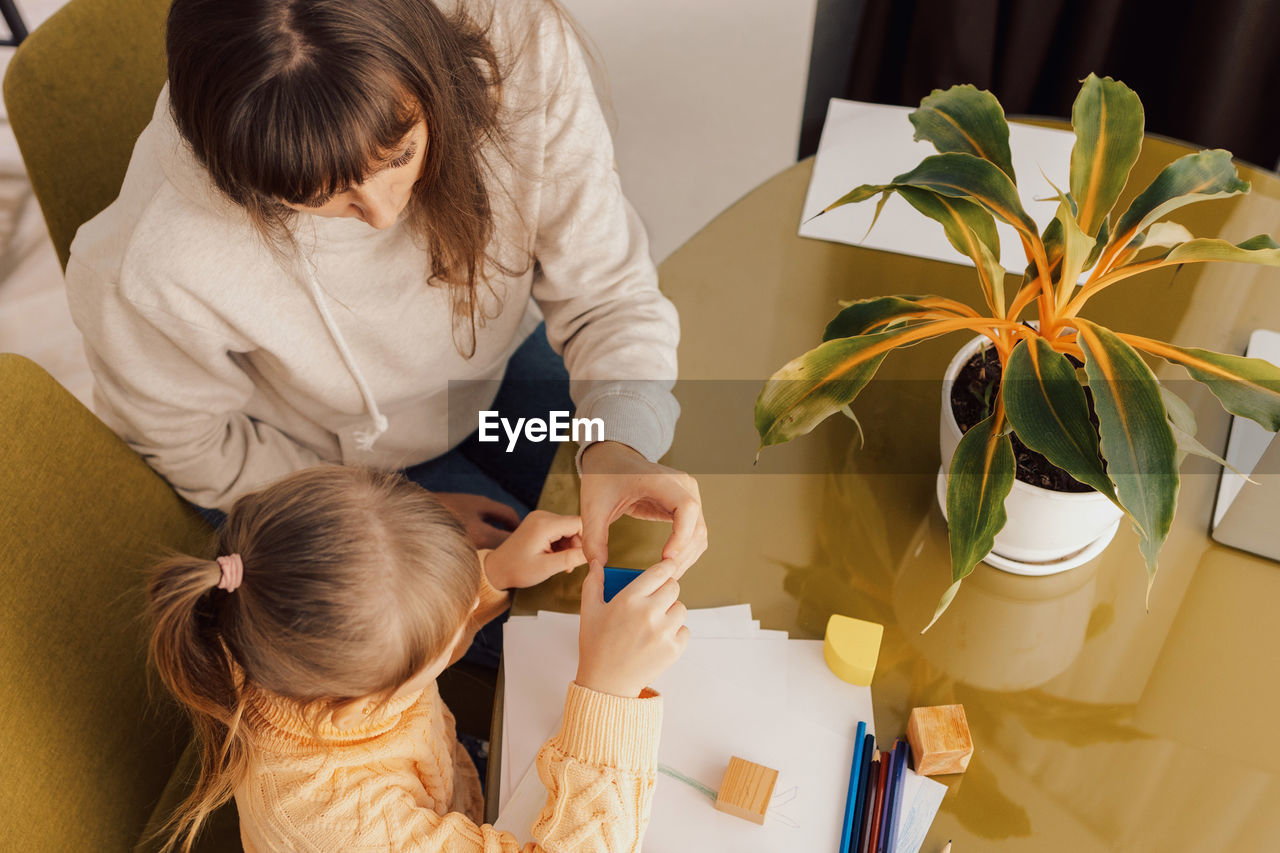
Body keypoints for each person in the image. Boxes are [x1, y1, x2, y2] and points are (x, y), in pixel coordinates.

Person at [66, 0, 706, 574]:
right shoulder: (149, 260)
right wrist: (391, 515)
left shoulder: (519, 48)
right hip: (313, 461)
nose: (382, 212)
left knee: (663, 537)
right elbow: (191, 444)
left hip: (487, 374)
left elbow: (607, 297)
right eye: (319, 197)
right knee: (556, 616)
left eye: (400, 155)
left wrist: (616, 446)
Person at [148, 465, 688, 852]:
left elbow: (395, 620)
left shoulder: (268, 625)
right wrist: (608, 695)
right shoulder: (339, 827)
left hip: (444, 791)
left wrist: (493, 572)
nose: (466, 614)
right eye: (447, 638)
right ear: (369, 695)